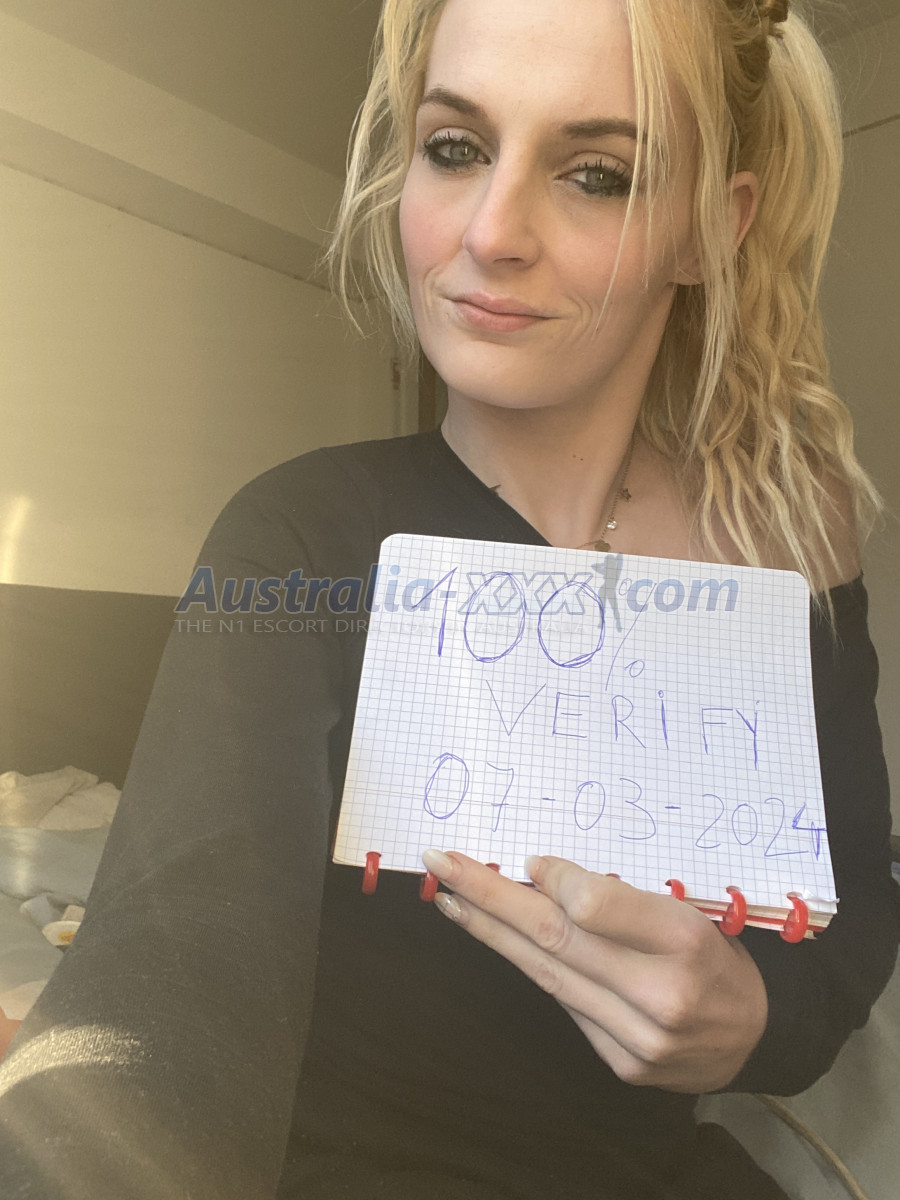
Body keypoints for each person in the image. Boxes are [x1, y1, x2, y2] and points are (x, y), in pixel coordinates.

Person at [0, 0, 897, 1196]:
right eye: (457, 147)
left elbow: (848, 922)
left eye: (596, 173)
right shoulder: (300, 536)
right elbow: (166, 968)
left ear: (707, 228)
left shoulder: (786, 550)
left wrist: (755, 1018)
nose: (489, 231)